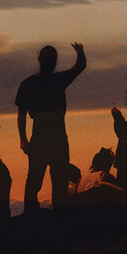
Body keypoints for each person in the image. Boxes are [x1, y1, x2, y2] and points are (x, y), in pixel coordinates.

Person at [15, 41, 87, 212]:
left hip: (58, 137)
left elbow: (80, 66)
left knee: (59, 181)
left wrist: (80, 52)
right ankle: (30, 216)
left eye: (53, 58)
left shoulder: (59, 80)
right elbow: (21, 114)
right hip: (40, 136)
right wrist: (23, 139)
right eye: (48, 57)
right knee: (34, 180)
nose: (51, 61)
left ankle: (58, 218)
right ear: (40, 58)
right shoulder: (28, 84)